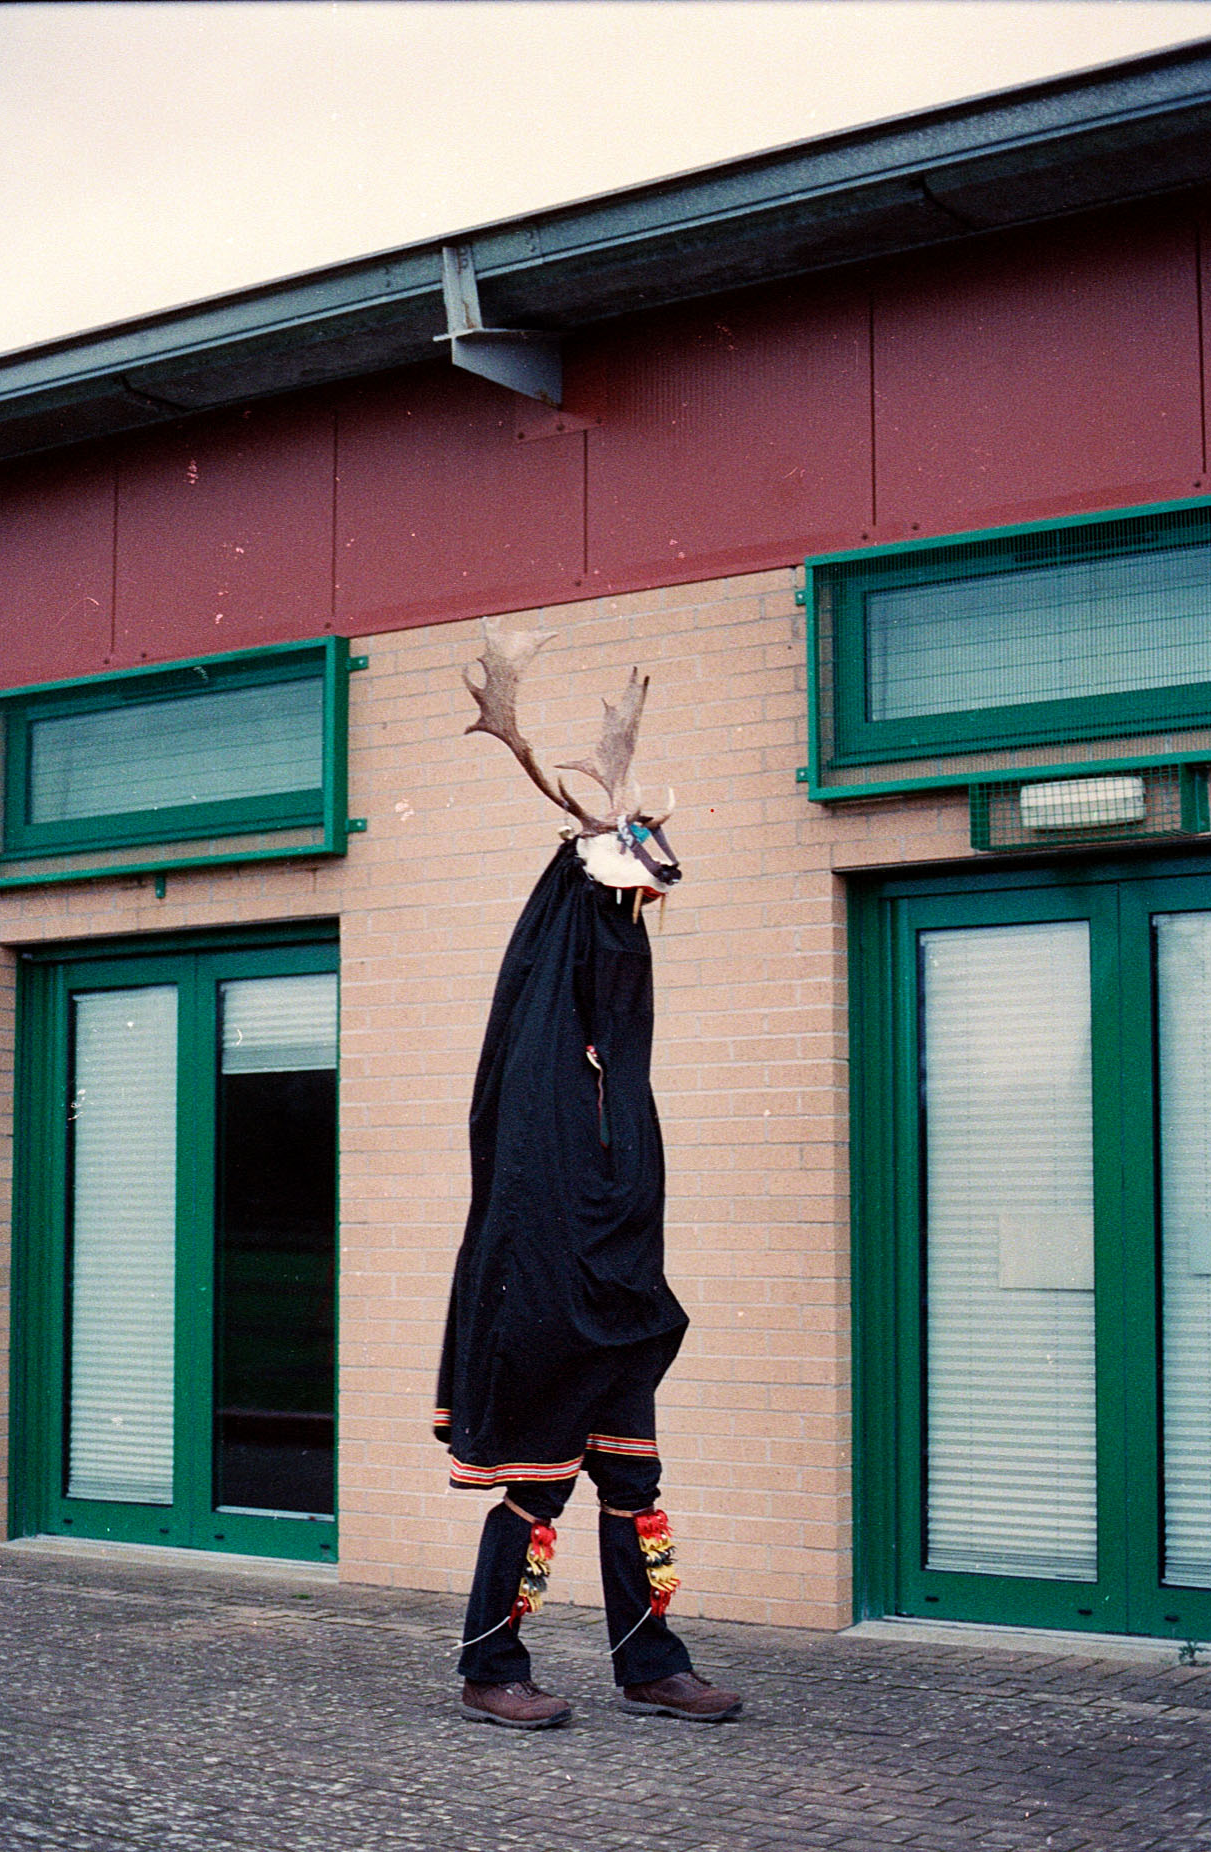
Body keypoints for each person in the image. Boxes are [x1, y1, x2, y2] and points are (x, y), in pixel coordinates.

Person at [433, 625, 743, 1730]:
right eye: (627, 910)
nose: (636, 930)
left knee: (633, 1482)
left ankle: (650, 1662)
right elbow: (528, 1186)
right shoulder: (545, 1056)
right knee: (536, 1486)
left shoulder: (618, 1056)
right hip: (552, 1304)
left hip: (618, 1300)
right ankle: (492, 1668)